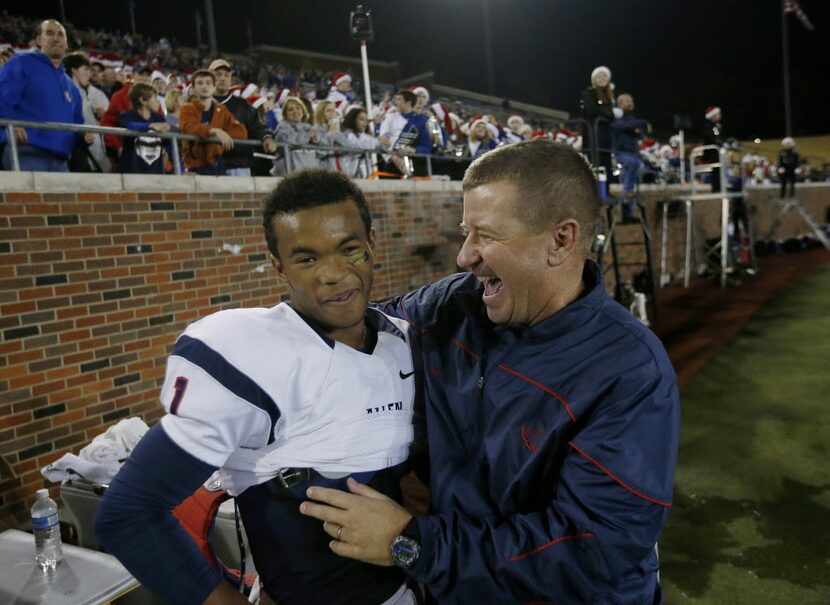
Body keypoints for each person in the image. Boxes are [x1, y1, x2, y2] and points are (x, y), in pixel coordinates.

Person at [300, 139, 680, 604]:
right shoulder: (452, 306)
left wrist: (409, 542)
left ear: (561, 240)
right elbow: (360, 330)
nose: (465, 255)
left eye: (486, 235)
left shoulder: (630, 372)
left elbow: (589, 553)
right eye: (466, 232)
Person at [95, 169, 420, 605]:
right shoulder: (249, 351)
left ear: (373, 245)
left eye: (350, 250)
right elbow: (129, 513)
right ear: (278, 266)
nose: (334, 273)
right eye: (307, 259)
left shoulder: (405, 343)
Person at [0, 19, 93, 172]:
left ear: (66, 44)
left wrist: (84, 138)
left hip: (62, 160)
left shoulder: (71, 86)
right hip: (26, 152)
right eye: (49, 33)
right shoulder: (21, 63)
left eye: (60, 35)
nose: (56, 38)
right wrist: (10, 124)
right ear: (38, 40)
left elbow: (77, 125)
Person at [209, 58, 277, 176]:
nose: (223, 78)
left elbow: (257, 127)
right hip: (208, 164)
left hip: (238, 165)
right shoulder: (200, 104)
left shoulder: (242, 105)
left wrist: (267, 137)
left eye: (226, 75)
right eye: (218, 74)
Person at [179, 69, 247, 175]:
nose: (204, 86)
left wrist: (223, 135)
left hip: (217, 164)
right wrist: (214, 131)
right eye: (200, 83)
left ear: (214, 87)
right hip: (195, 167)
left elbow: (241, 132)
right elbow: (188, 127)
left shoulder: (221, 109)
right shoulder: (187, 109)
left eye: (208, 83)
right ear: (193, 89)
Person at [62, 51, 109, 173]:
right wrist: (104, 164)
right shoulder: (74, 94)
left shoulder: (81, 93)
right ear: (74, 70)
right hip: (81, 157)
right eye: (86, 69)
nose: (90, 74)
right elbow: (89, 133)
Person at [611, 93, 651, 220]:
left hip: (634, 155)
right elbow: (622, 125)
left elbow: (639, 134)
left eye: (631, 100)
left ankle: (628, 213)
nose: (630, 102)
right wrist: (642, 124)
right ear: (619, 104)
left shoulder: (633, 120)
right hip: (621, 155)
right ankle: (626, 198)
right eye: (627, 100)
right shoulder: (615, 118)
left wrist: (637, 128)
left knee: (633, 176)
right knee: (632, 168)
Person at [117, 82, 169, 174]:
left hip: (155, 173)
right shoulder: (126, 115)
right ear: (143, 101)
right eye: (154, 97)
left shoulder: (159, 118)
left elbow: (169, 144)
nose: (158, 102)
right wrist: (149, 126)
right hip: (131, 172)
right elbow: (129, 126)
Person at [579, 65, 616, 177]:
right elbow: (592, 110)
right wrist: (610, 113)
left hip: (605, 135)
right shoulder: (590, 93)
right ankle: (597, 191)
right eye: (598, 76)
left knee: (606, 160)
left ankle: (606, 190)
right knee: (596, 162)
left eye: (604, 76)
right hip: (593, 135)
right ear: (594, 80)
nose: (601, 78)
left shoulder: (610, 96)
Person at [273, 96, 320, 175]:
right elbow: (285, 143)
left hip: (308, 170)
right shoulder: (282, 126)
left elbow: (321, 147)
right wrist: (307, 136)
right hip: (289, 172)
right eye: (290, 109)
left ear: (303, 110)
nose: (295, 111)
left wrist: (315, 140)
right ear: (285, 114)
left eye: (298, 108)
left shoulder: (308, 127)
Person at [340, 105, 389, 178]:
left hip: (364, 175)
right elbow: (356, 148)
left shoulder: (364, 136)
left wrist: (385, 143)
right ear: (353, 120)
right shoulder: (347, 134)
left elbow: (378, 146)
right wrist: (377, 142)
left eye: (366, 120)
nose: (365, 123)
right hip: (347, 174)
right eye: (361, 119)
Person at [701, 105, 725, 191]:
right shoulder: (708, 125)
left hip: (717, 152)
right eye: (718, 114)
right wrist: (718, 143)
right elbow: (710, 137)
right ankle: (716, 188)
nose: (720, 115)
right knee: (716, 170)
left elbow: (719, 137)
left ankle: (720, 186)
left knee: (719, 170)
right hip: (712, 152)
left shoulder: (717, 125)